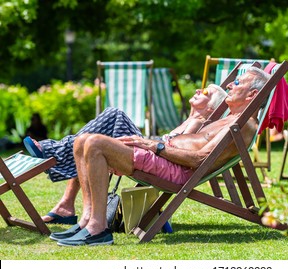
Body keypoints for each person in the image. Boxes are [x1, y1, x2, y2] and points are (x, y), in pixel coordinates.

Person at [51, 66, 271, 246]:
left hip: (175, 168)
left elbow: (199, 160)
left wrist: (154, 146)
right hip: (165, 157)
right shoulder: (229, 118)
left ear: (252, 94)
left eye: (238, 83)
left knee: (96, 143)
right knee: (82, 140)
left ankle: (98, 228)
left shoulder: (242, 125)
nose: (231, 85)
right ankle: (87, 220)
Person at [25, 85, 227, 223]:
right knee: (99, 130)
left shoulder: (197, 123)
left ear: (210, 107)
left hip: (151, 153)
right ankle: (65, 203)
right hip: (148, 147)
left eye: (207, 92)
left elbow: (175, 152)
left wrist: (149, 142)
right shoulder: (189, 120)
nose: (200, 90)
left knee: (115, 115)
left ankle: (53, 151)